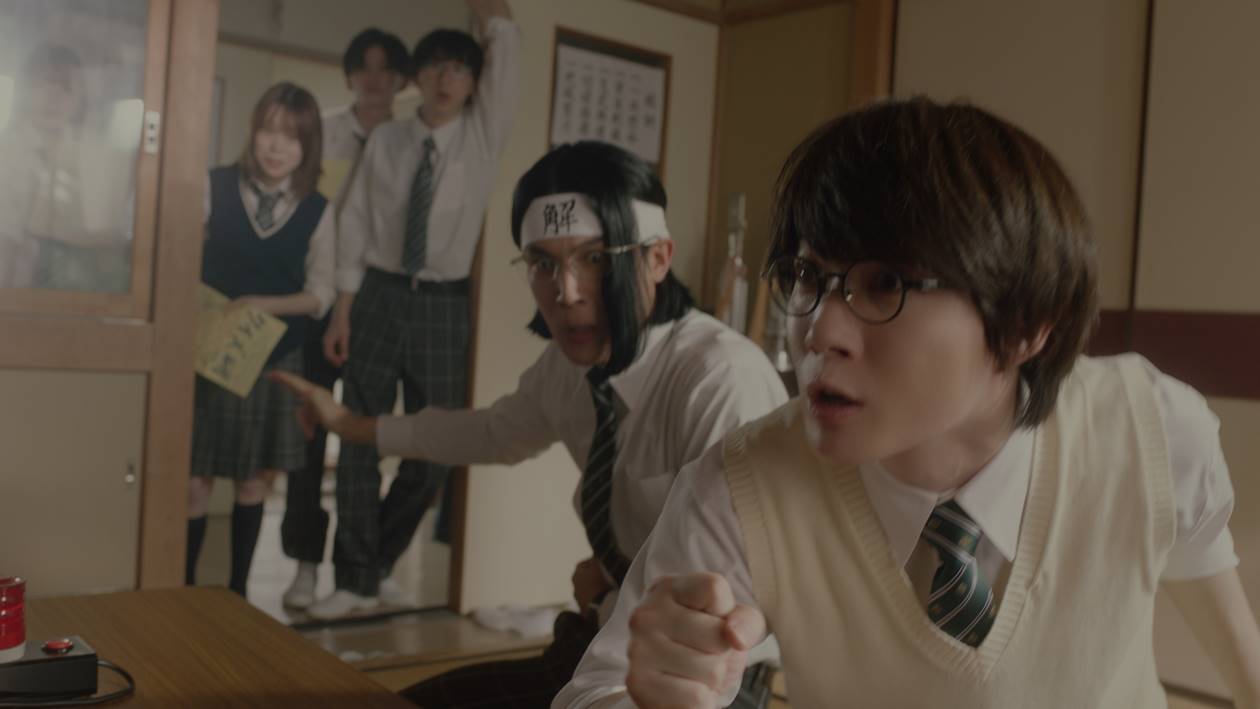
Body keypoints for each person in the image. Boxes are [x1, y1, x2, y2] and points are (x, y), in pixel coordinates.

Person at [557, 98, 1260, 708]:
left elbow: (1244, 665)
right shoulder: (744, 487)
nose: (819, 333)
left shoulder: (1148, 428)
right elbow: (598, 689)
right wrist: (650, 696)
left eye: (885, 283)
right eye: (809, 276)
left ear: (1025, 325)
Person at [275, 141, 785, 707]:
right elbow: (493, 433)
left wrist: (604, 599)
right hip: (599, 644)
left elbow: (722, 620)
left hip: (707, 683)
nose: (565, 293)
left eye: (595, 259)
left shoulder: (719, 380)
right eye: (543, 264)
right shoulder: (569, 368)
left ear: (658, 258)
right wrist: (350, 424)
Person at [310, 0, 522, 619]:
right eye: (434, 67)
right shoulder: (388, 138)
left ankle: (375, 563)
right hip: (377, 293)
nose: (445, 79)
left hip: (443, 304)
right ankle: (352, 578)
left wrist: (495, 18)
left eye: (459, 69)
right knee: (357, 436)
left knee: (439, 446)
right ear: (417, 77)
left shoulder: (483, 135)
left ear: (474, 81)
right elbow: (354, 224)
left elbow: (507, 57)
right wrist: (343, 311)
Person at [186, 82, 336, 598]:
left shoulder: (318, 209)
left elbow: (321, 294)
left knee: (253, 480)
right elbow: (179, 253)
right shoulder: (213, 185)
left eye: (292, 137)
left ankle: (238, 594)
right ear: (253, 133)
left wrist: (261, 304)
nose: (277, 146)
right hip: (209, 353)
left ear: (307, 146)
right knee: (193, 480)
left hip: (274, 355)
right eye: (269, 131)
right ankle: (183, 590)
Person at [280, 26, 410, 611]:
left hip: (375, 300)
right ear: (350, 75)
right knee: (308, 433)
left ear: (401, 79)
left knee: (362, 435)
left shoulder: (409, 140)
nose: (374, 79)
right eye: (365, 67)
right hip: (315, 296)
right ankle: (305, 564)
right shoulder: (323, 133)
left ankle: (365, 565)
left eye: (386, 69)